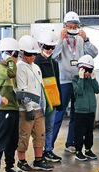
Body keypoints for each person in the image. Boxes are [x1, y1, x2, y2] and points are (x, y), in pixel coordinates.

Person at [51, 11, 98, 153]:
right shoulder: (60, 39)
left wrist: (87, 39)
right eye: (69, 25)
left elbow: (94, 54)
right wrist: (60, 40)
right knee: (59, 114)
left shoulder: (81, 39)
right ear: (65, 25)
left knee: (75, 114)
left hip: (79, 81)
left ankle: (70, 143)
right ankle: (49, 146)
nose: (72, 27)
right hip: (64, 82)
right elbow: (53, 56)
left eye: (75, 25)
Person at [16, 35, 54, 172]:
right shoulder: (20, 67)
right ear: (21, 53)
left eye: (33, 54)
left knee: (40, 135)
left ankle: (38, 159)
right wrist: (28, 107)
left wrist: (44, 105)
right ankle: (21, 161)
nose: (32, 56)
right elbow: (22, 89)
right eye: (28, 54)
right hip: (25, 110)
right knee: (24, 136)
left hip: (39, 108)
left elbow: (41, 87)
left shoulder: (36, 67)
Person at [0, 37, 23, 172]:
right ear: (3, 54)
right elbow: (11, 74)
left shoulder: (12, 67)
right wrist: (10, 59)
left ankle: (9, 166)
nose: (14, 58)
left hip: (13, 107)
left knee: (12, 140)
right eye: (11, 54)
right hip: (3, 109)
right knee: (1, 140)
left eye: (16, 55)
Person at [34, 30, 63, 162]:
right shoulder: (35, 62)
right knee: (40, 128)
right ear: (40, 45)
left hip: (52, 100)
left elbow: (57, 82)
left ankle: (48, 150)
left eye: (52, 47)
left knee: (50, 126)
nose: (50, 50)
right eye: (47, 47)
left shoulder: (54, 63)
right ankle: (38, 155)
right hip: (40, 100)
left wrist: (59, 101)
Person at [72, 55, 99, 161]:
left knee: (89, 132)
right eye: (85, 70)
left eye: (89, 70)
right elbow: (78, 91)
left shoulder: (90, 81)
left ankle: (88, 149)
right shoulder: (75, 80)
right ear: (80, 69)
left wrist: (93, 79)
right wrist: (81, 78)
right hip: (80, 111)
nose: (87, 73)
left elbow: (97, 90)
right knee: (79, 132)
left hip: (90, 111)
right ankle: (78, 151)